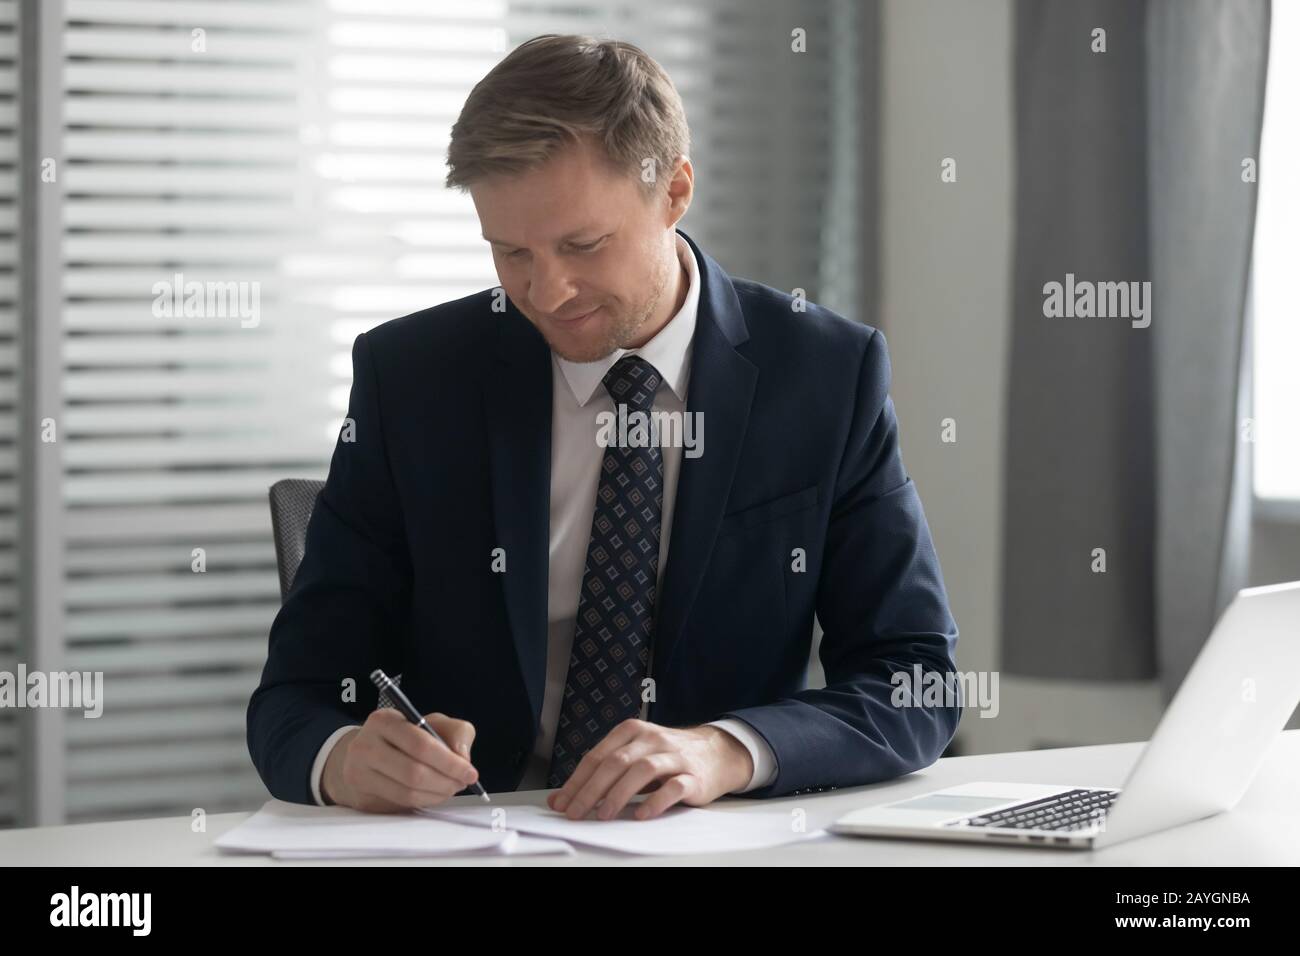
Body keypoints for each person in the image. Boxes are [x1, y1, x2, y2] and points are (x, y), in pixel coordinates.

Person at [247, 34, 961, 822]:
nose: (546, 291)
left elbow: (915, 679)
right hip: (475, 840)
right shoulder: (411, 378)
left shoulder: (825, 374)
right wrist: (344, 759)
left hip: (708, 838)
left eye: (583, 245)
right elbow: (297, 697)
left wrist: (724, 750)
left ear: (674, 192)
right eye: (509, 250)